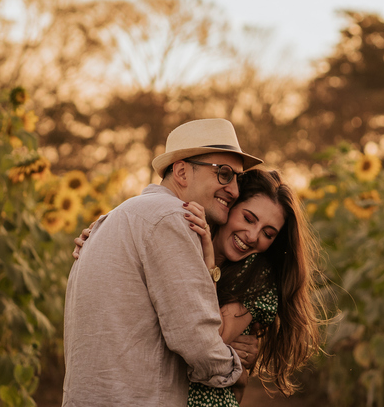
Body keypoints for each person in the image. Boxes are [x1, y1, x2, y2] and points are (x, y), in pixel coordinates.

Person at [75, 169, 321, 406]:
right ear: (229, 207)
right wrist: (101, 238)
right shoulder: (183, 239)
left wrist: (210, 265)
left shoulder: (256, 277)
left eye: (268, 233)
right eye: (248, 219)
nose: (253, 236)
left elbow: (208, 340)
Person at [62, 118, 264, 407]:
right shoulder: (172, 219)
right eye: (224, 174)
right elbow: (197, 342)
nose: (234, 190)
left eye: (237, 179)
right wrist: (235, 365)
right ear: (181, 172)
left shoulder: (111, 220)